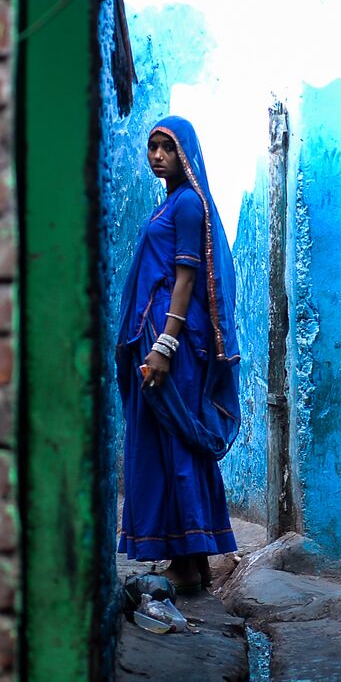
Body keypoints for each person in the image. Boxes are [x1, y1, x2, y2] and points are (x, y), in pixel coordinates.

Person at [116, 116, 242, 592]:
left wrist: (165, 344)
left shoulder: (188, 204)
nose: (157, 156)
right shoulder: (170, 204)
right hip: (158, 338)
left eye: (166, 147)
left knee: (178, 440)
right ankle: (189, 562)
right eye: (152, 147)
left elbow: (186, 279)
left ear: (185, 153)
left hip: (173, 345)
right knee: (160, 440)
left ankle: (190, 558)